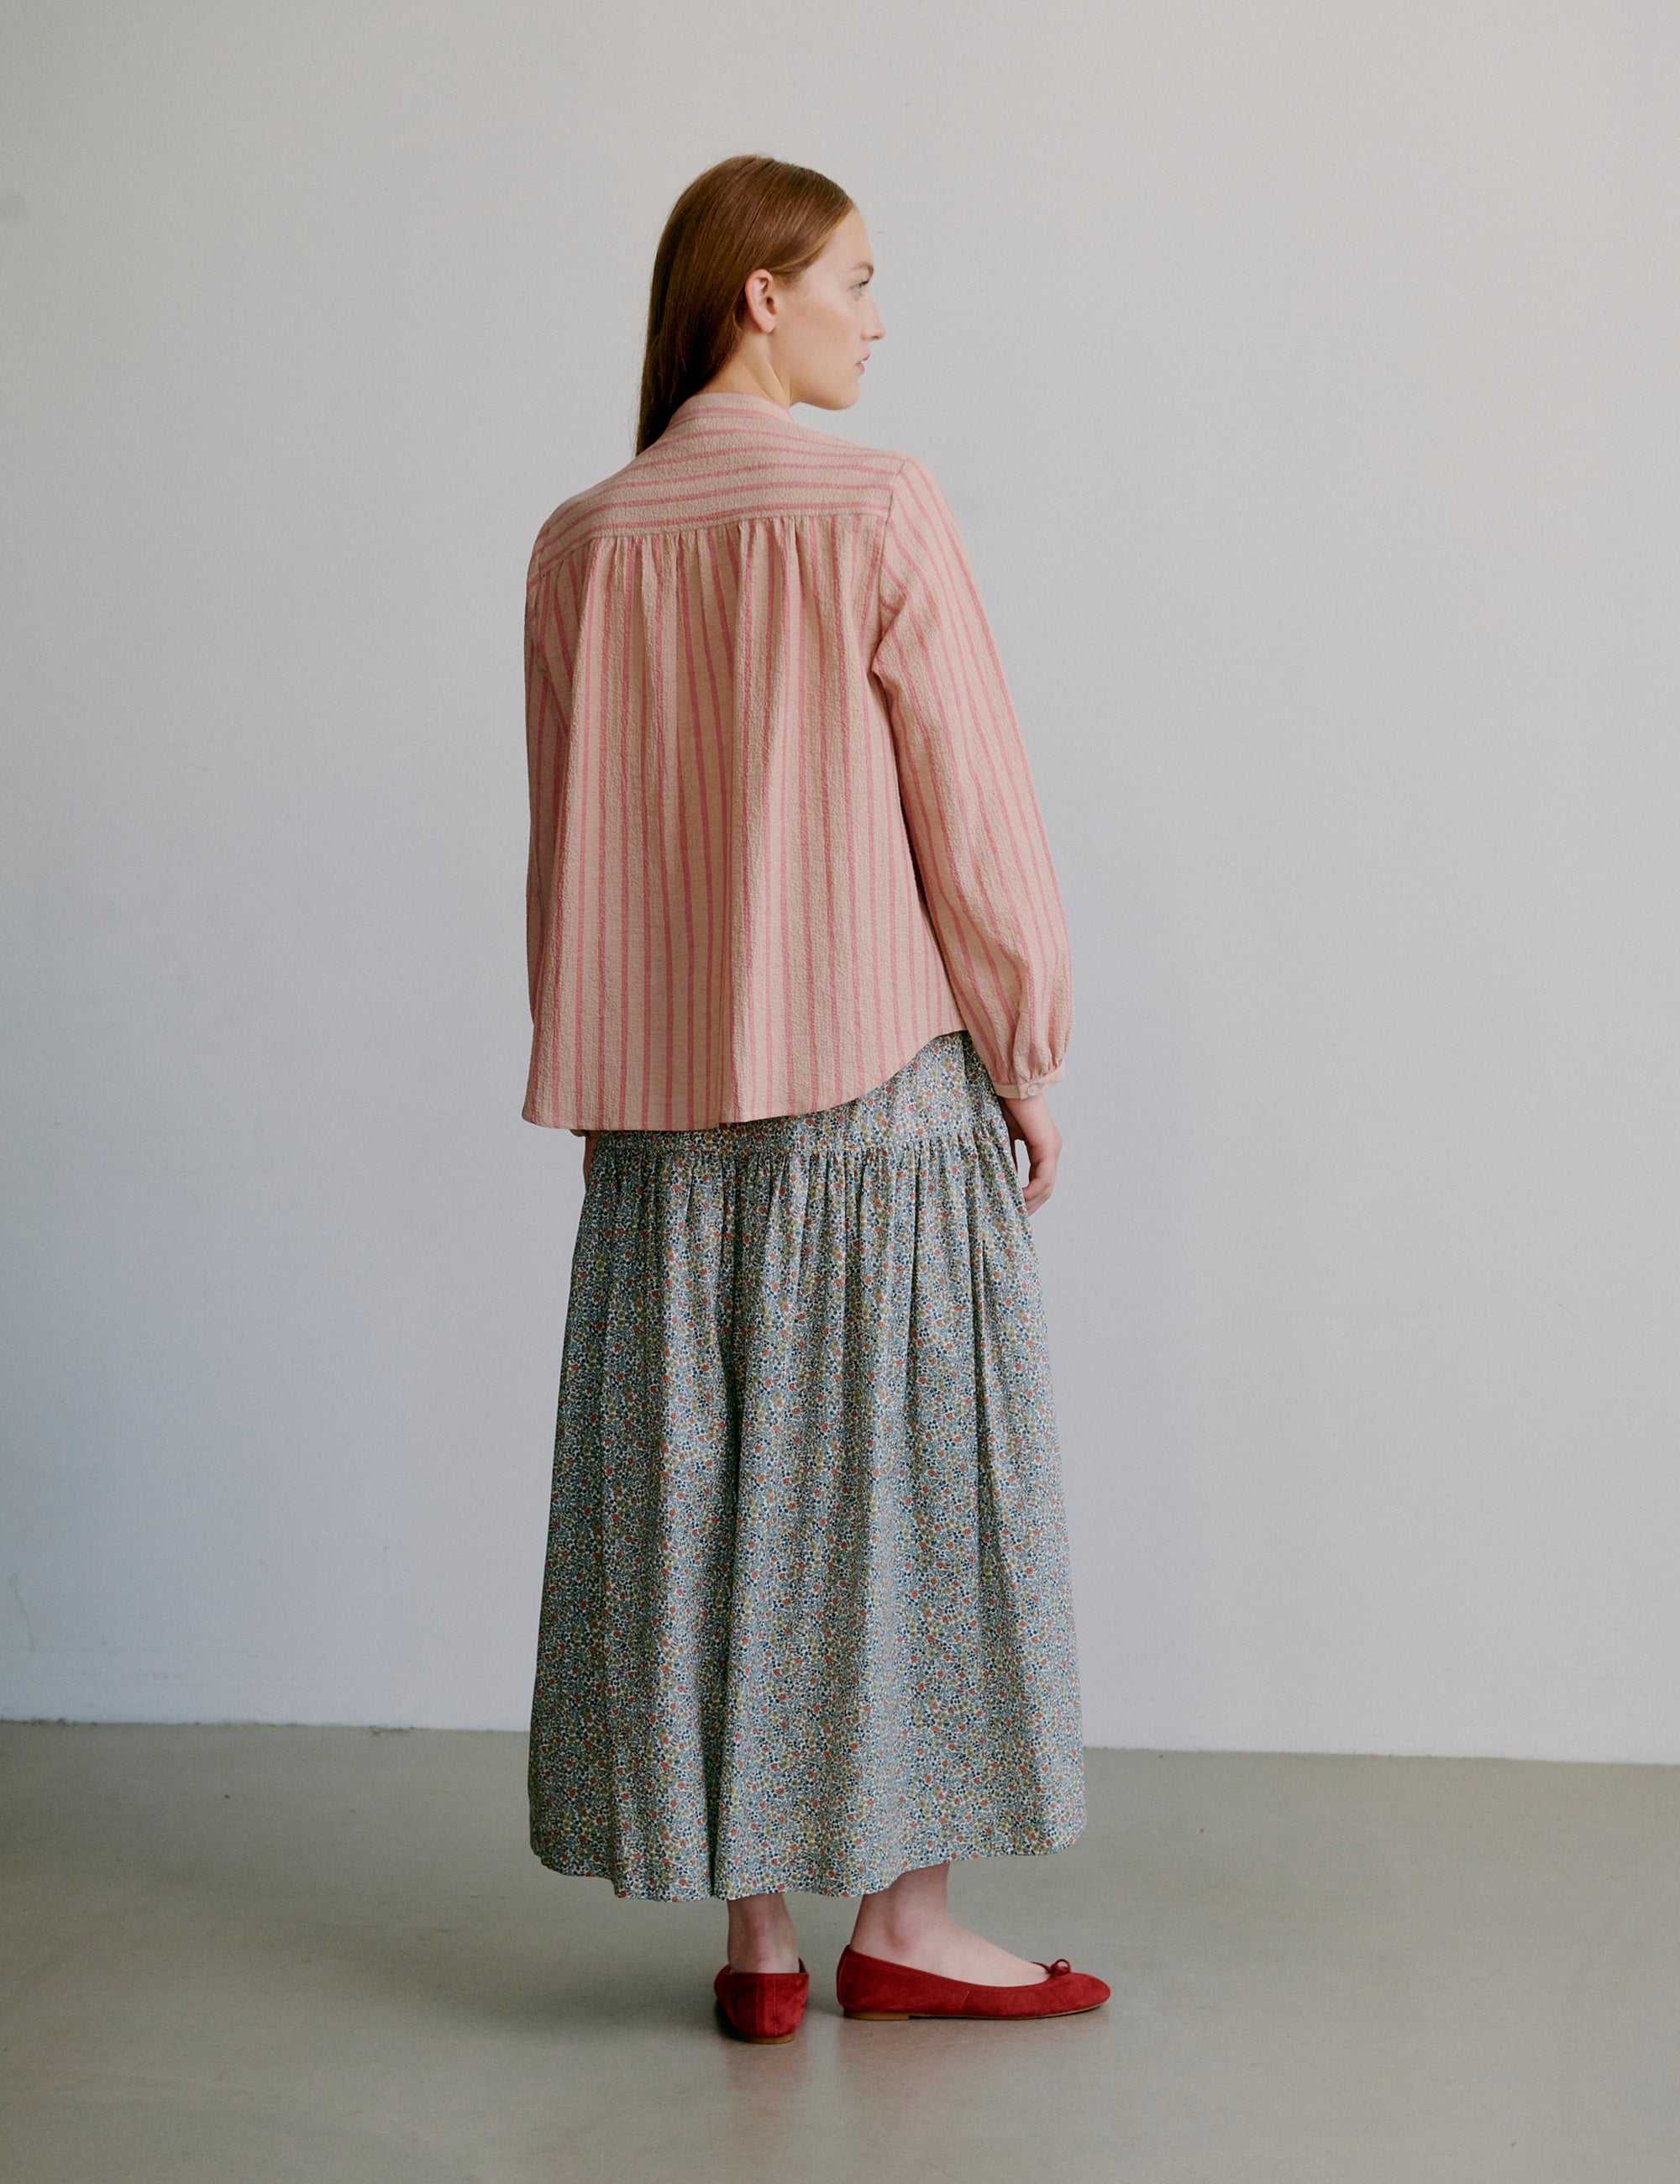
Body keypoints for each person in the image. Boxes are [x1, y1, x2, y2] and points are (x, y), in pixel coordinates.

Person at [521, 153, 1107, 2040]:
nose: (878, 310)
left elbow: (568, 850)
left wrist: (620, 1067)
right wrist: (1026, 1047)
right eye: (857, 274)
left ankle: (757, 1948)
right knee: (905, 1507)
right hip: (875, 1100)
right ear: (758, 293)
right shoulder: (875, 505)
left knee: (708, 1495)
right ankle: (907, 1927)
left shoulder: (583, 538)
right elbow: (978, 813)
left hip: (664, 1128)